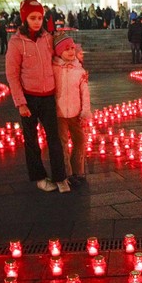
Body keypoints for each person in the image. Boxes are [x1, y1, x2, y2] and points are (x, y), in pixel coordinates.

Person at [6, 0, 70, 193]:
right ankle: (40, 177)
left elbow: (62, 53)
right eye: (33, 17)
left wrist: (75, 58)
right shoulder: (16, 43)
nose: (37, 21)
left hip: (48, 96)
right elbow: (12, 74)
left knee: (55, 139)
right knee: (32, 140)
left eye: (40, 17)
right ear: (24, 18)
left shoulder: (47, 38)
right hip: (29, 98)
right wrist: (20, 103)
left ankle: (60, 177)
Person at [53, 34, 91, 184]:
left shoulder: (79, 71)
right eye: (66, 49)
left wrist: (85, 111)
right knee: (62, 144)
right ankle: (67, 173)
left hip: (76, 114)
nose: (70, 51)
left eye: (72, 49)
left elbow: (85, 93)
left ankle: (79, 171)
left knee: (80, 141)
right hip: (59, 113)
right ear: (58, 51)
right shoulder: (54, 69)